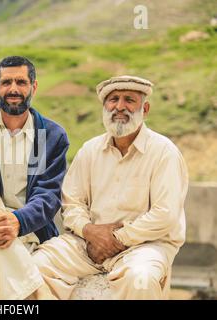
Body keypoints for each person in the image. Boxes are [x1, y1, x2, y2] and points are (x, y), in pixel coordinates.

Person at [32, 75, 188, 299]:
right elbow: (71, 203)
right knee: (36, 267)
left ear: (145, 109)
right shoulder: (90, 150)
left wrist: (118, 239)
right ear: (104, 107)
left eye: (129, 100)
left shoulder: (164, 152)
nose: (120, 106)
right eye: (113, 99)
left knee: (141, 279)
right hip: (87, 243)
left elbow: (165, 215)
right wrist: (88, 231)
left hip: (144, 246)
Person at [0, 56, 69, 299]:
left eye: (21, 82)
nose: (13, 89)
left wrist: (17, 222)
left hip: (32, 232)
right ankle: (39, 295)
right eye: (6, 82)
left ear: (34, 86)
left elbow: (48, 196)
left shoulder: (53, 135)